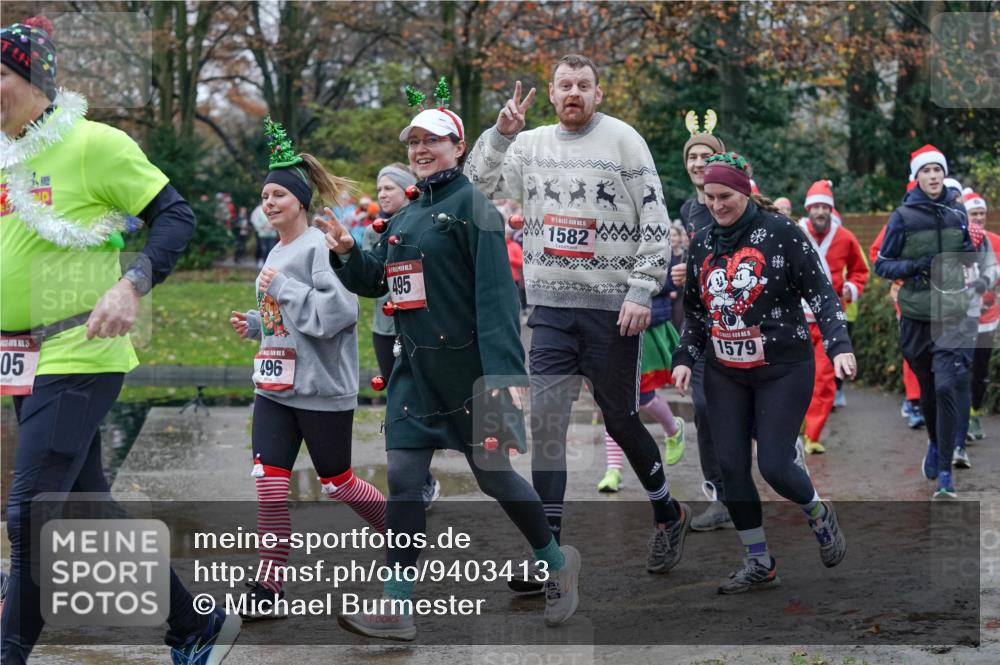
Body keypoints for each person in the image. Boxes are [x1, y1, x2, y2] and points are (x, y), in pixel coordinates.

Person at [0, 17, 239, 663]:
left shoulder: (93, 144)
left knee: (30, 514)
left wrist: (131, 282)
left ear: (32, 78)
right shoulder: (6, 155)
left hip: (80, 345)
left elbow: (176, 214)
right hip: (21, 355)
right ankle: (192, 621)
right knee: (81, 502)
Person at [320, 82, 580, 640]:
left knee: (495, 479)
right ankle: (396, 607)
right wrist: (347, 253)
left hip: (472, 374)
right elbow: (380, 283)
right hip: (415, 373)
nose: (420, 150)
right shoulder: (407, 217)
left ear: (458, 147)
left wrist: (507, 374)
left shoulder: (474, 208)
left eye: (431, 141)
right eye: (413, 142)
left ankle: (558, 566)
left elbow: (497, 299)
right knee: (405, 479)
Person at [466, 54, 690, 579]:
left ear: (598, 93)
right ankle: (550, 554)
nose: (573, 93)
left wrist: (640, 289)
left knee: (620, 417)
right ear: (550, 92)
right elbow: (476, 185)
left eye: (583, 85)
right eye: (564, 85)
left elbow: (655, 220)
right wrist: (500, 134)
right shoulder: (530, 143)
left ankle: (667, 511)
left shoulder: (624, 141)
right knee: (546, 426)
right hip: (550, 311)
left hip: (613, 313)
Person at [671, 152, 854, 594]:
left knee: (774, 465)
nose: (717, 205)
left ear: (746, 191)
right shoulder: (702, 243)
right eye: (710, 197)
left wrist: (839, 346)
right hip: (726, 370)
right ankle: (759, 562)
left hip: (782, 368)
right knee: (731, 469)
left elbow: (822, 293)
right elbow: (697, 312)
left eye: (726, 196)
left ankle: (817, 511)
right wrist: (683, 356)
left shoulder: (781, 233)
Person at [228, 118, 387, 620]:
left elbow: (339, 314)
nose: (269, 203)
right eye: (264, 195)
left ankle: (403, 537)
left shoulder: (319, 246)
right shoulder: (276, 249)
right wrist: (258, 324)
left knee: (337, 480)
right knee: (269, 481)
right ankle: (269, 585)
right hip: (274, 386)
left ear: (300, 200)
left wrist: (282, 291)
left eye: (278, 194)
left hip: (320, 389)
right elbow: (288, 317)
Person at [874, 145, 996, 499]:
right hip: (916, 315)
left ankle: (945, 474)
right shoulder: (902, 217)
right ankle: (934, 442)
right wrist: (915, 265)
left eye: (938, 171)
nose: (933, 176)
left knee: (946, 386)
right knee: (928, 390)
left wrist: (973, 258)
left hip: (953, 314)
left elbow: (971, 258)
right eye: (926, 171)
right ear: (916, 176)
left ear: (944, 175)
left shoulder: (958, 213)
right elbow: (882, 264)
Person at [669, 110, 734, 531]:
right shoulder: (690, 209)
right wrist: (682, 269)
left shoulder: (735, 198)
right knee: (705, 409)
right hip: (701, 323)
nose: (696, 163)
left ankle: (783, 457)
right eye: (691, 157)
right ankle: (719, 494)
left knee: (742, 410)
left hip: (743, 321)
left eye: (705, 155)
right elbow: (696, 258)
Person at [363, 162, 441, 508]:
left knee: (422, 401)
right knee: (397, 401)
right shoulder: (373, 231)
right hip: (385, 326)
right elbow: (366, 275)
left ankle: (420, 472)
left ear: (408, 189)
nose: (382, 194)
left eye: (390, 188)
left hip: (421, 328)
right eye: (379, 189)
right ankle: (418, 481)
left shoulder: (425, 225)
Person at [798, 181, 869, 453]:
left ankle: (813, 435)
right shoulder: (795, 232)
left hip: (829, 321)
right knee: (796, 376)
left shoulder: (845, 237)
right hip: (797, 319)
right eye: (815, 206)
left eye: (824, 207)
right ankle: (798, 425)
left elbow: (860, 270)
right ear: (808, 209)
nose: (820, 212)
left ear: (831, 209)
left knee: (825, 379)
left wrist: (851, 287)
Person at [961, 187, 996, 448]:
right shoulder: (958, 240)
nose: (979, 217)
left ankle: (975, 414)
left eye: (982, 213)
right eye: (974, 213)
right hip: (962, 317)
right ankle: (965, 418)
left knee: (981, 370)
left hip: (989, 316)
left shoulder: (995, 241)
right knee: (964, 367)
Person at [250, 202, 277, 268]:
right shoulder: (258, 209)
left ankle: (270, 264)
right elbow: (254, 220)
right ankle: (262, 261)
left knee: (271, 249)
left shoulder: (274, 208)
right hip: (262, 233)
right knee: (263, 248)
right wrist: (262, 226)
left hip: (272, 233)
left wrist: (274, 226)